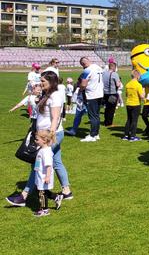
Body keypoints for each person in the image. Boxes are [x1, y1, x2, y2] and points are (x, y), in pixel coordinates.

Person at [6, 71, 73, 207]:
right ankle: (66, 191)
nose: (40, 83)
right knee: (56, 162)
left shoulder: (55, 96)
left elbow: (55, 118)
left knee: (37, 163)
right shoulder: (45, 95)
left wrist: (50, 135)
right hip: (42, 134)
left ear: (52, 82)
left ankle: (24, 196)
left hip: (51, 136)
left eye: (43, 81)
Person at [32, 130, 64, 217]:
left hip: (44, 176)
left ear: (44, 140)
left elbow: (49, 166)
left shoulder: (46, 152)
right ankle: (56, 197)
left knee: (41, 193)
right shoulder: (42, 149)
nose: (35, 141)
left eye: (37, 139)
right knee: (40, 191)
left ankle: (44, 210)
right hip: (40, 175)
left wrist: (47, 177)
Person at [79, 57, 104, 142]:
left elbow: (83, 84)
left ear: (83, 64)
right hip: (99, 93)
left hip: (91, 94)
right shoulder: (98, 67)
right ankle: (96, 133)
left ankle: (92, 135)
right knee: (96, 115)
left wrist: (79, 90)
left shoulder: (87, 70)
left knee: (92, 115)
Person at [122, 70, 144, 142]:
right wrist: (143, 91)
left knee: (129, 119)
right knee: (134, 120)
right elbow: (142, 97)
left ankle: (126, 135)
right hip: (136, 104)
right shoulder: (138, 85)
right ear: (137, 76)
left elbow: (126, 94)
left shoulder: (128, 84)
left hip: (128, 103)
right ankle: (132, 136)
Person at [102, 62, 122, 127]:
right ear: (114, 67)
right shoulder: (115, 74)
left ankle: (106, 122)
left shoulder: (104, 73)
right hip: (112, 94)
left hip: (105, 93)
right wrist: (119, 82)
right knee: (111, 109)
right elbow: (118, 85)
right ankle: (109, 123)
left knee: (107, 108)